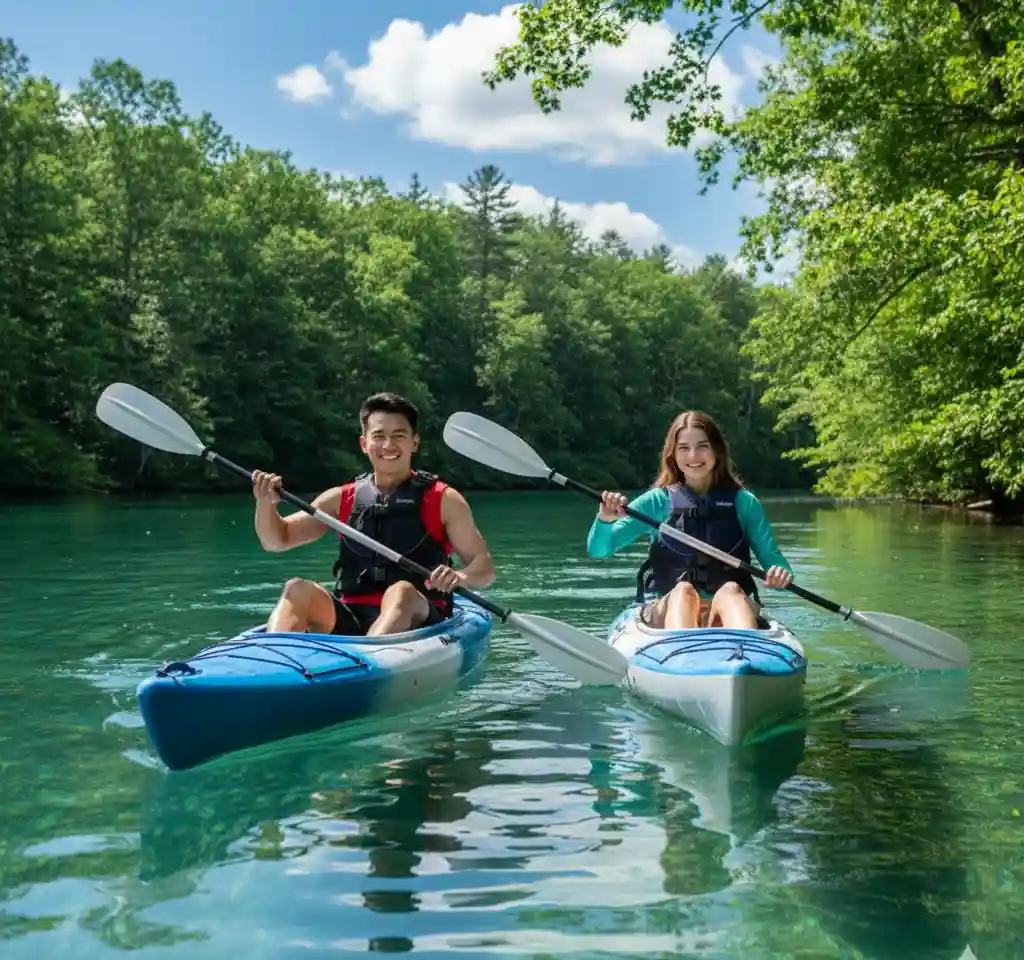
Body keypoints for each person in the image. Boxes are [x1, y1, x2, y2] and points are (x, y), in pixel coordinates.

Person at [251, 392, 496, 636]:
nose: (388, 446)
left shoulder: (444, 499)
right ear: (364, 443)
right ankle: (274, 655)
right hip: (353, 614)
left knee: (400, 592)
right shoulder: (341, 498)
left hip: (420, 616)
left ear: (414, 442)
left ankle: (369, 658)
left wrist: (460, 576)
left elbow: (484, 568)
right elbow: (276, 540)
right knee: (297, 589)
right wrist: (265, 503)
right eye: (379, 436)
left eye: (399, 436)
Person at [586, 410, 793, 630]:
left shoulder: (745, 503)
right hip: (668, 607)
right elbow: (599, 550)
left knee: (731, 589)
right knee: (683, 591)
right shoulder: (656, 502)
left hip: (727, 609)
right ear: (672, 454)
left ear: (717, 451)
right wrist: (605, 519)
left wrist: (779, 575)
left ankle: (745, 655)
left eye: (702, 446)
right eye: (684, 448)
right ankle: (683, 654)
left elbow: (775, 561)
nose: (693, 456)